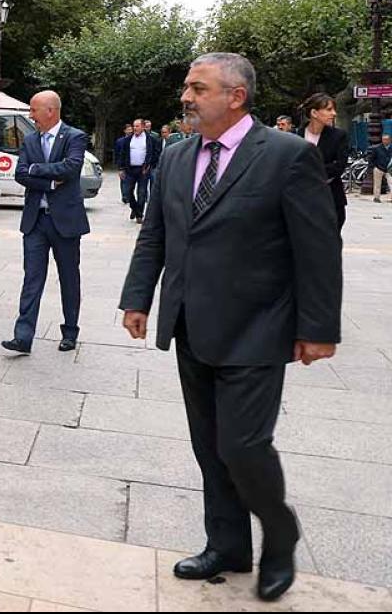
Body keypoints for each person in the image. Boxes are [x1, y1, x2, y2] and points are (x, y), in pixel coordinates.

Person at [120, 53, 341, 603]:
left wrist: (320, 327)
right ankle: (228, 546)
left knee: (243, 445)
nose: (186, 98)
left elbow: (318, 250)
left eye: (198, 88)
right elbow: (157, 235)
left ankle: (280, 535)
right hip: (191, 322)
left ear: (235, 95)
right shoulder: (176, 156)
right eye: (186, 87)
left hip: (257, 327)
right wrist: (138, 298)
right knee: (209, 447)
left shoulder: (287, 156)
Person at [1, 91, 90, 355]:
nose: (30, 116)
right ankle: (23, 337)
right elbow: (19, 174)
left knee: (69, 278)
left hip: (65, 222)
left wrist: (35, 169)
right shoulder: (29, 140)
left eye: (34, 110)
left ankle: (70, 332)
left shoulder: (75, 137)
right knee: (32, 279)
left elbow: (71, 168)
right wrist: (50, 181)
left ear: (51, 111)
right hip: (35, 221)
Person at [297, 93, 349, 230]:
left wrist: (311, 173)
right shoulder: (296, 136)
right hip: (300, 199)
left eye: (334, 109)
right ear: (314, 112)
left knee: (329, 242)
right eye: (329, 109)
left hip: (330, 198)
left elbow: (339, 165)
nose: (334, 113)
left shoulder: (338, 136)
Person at [115, 119, 160, 223]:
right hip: (130, 169)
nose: (135, 128)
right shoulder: (128, 140)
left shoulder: (151, 139)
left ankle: (139, 214)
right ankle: (134, 208)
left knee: (142, 193)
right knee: (127, 191)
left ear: (143, 127)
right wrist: (121, 168)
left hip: (143, 170)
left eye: (137, 126)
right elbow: (122, 154)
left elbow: (156, 154)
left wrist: (149, 165)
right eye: (134, 126)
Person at [369, 133, 392, 202]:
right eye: (384, 139)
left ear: (390, 140)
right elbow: (371, 159)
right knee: (377, 184)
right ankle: (376, 197)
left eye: (387, 139)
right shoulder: (377, 148)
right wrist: (374, 166)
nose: (385, 141)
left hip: (389, 169)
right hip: (379, 168)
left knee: (391, 182)